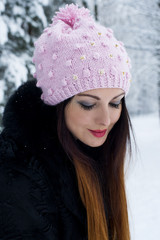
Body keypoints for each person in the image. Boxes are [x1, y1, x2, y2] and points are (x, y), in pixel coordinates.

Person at [0, 4, 133, 240]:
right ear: (58, 105)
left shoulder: (89, 152)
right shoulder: (17, 179)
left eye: (115, 102)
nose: (106, 119)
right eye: (88, 104)